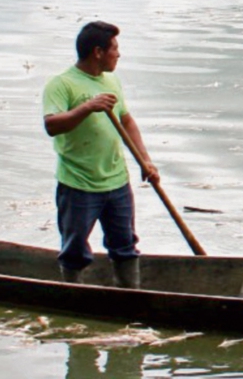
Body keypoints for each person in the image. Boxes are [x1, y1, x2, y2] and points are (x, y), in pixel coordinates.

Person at [42, 21, 158, 288]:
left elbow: (126, 121)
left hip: (116, 181)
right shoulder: (62, 84)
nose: (118, 54)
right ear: (98, 52)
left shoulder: (111, 81)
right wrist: (87, 107)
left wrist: (145, 160)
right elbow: (52, 125)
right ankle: (73, 296)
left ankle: (130, 296)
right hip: (79, 183)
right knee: (74, 250)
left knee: (125, 244)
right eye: (114, 48)